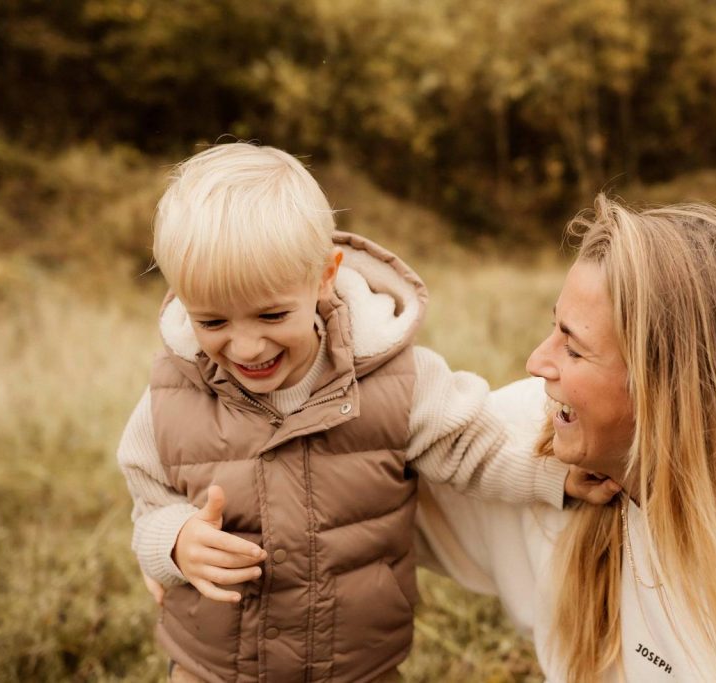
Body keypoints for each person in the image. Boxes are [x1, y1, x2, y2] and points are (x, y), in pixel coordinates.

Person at [116, 142, 583, 683]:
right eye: (213, 323)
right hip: (215, 669)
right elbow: (148, 504)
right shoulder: (172, 397)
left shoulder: (396, 380)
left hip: (357, 667)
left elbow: (473, 449)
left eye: (271, 314)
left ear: (324, 276)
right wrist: (175, 541)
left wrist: (558, 475)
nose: (245, 347)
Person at [415, 196, 716, 681]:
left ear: (663, 392)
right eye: (553, 327)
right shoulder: (535, 437)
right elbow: (371, 456)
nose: (538, 362)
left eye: (575, 348)